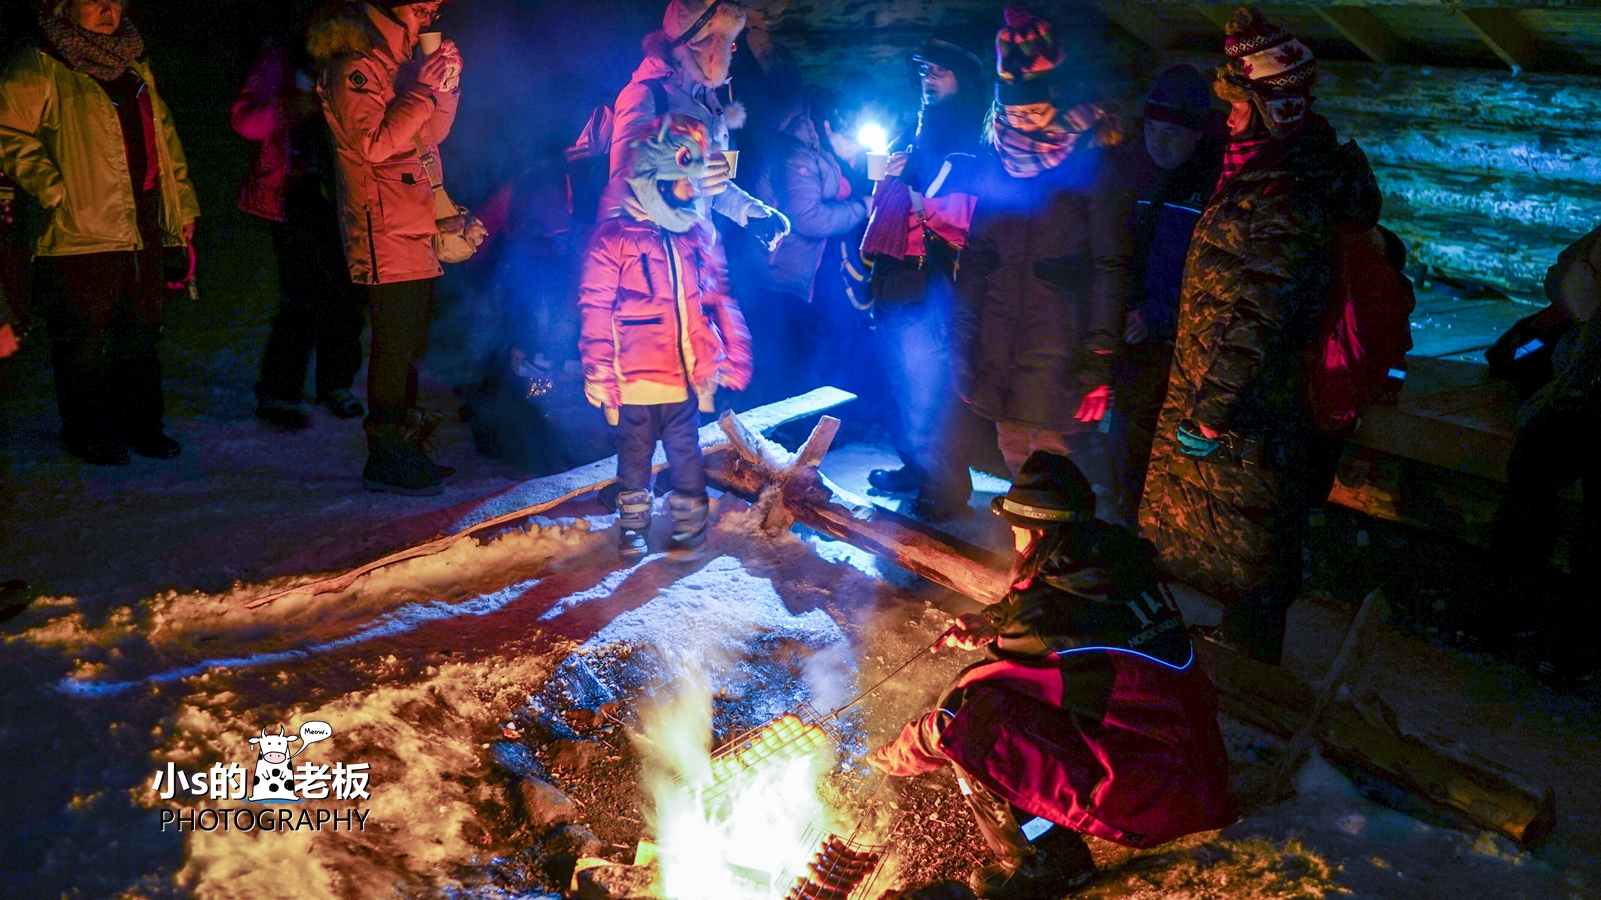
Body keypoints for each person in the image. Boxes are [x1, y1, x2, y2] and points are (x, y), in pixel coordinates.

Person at [868, 451, 1237, 899]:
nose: (1014, 540)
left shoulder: (1042, 618)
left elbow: (968, 700)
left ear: (1037, 531)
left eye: (1016, 531)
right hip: (1199, 765)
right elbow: (1071, 612)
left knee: (972, 731)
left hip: (1152, 793)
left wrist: (901, 753)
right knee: (997, 716)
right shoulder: (1116, 560)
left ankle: (1046, 861)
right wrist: (997, 618)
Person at [1138, 8, 1380, 664]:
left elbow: (1262, 312)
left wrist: (1212, 410)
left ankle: (1250, 680)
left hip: (1260, 409)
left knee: (1253, 551)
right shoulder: (1262, 173)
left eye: (1237, 108)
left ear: (1275, 110)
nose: (1228, 120)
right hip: (1239, 399)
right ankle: (1227, 662)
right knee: (1231, 544)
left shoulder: (1286, 192)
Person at [950, 4, 1133, 520]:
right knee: (1015, 463)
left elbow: (1109, 267)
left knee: (1060, 472)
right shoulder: (999, 164)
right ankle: (1027, 567)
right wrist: (962, 347)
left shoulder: (1091, 163)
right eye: (1016, 108)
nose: (1026, 117)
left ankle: (1060, 574)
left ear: (1057, 96)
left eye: (1036, 107)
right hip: (1002, 345)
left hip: (1062, 347)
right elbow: (978, 260)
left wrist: (1098, 360)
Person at [0, 0, 199, 465]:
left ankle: (143, 427)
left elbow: (165, 142)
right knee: (84, 336)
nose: (108, 8)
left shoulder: (132, 63)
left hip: (142, 221)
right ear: (64, 7)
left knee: (141, 329)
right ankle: (88, 433)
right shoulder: (41, 63)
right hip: (79, 227)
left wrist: (182, 207)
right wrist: (52, 188)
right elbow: (6, 129)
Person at [579, 116, 753, 561]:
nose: (693, 193)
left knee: (686, 457)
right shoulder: (614, 238)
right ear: (656, 180)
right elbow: (596, 309)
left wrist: (732, 349)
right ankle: (633, 527)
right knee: (634, 461)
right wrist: (599, 372)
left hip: (684, 377)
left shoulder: (696, 234)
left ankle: (689, 529)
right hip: (634, 378)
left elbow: (717, 296)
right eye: (684, 184)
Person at [310, 0, 464, 495]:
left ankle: (405, 445)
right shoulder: (356, 65)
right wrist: (422, 87)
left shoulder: (397, 64)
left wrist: (444, 85)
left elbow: (431, 133)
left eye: (435, 8)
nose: (431, 12)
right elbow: (373, 144)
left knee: (411, 342)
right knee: (394, 344)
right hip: (383, 225)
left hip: (414, 218)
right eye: (422, 6)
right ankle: (385, 453)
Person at [859, 37, 990, 521]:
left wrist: (912, 182)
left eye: (941, 71)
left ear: (964, 80)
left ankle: (948, 485)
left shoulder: (969, 143)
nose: (929, 78)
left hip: (928, 279)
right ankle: (916, 466)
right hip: (895, 273)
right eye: (925, 70)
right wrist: (885, 177)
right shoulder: (917, 133)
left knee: (929, 385)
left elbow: (964, 219)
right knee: (900, 380)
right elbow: (885, 202)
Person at [1482, 226, 1601, 682]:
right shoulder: (1557, 331)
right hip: (1575, 400)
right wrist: (1545, 328)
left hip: (1576, 401)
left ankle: (1563, 641)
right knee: (1533, 497)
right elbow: (1514, 352)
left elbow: (1568, 290)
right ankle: (1527, 625)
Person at [234, 30, 368, 431]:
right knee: (303, 294)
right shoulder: (283, 58)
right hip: (296, 191)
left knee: (349, 292)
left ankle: (337, 383)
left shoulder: (359, 57)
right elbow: (246, 120)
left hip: (347, 191)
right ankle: (280, 390)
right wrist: (300, 103)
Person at [1108, 65, 1222, 522]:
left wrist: (1158, 313)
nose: (1160, 142)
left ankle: (1145, 515)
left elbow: (1208, 270)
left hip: (1176, 333)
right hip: (1133, 326)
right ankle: (1125, 506)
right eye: (1153, 130)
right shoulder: (1136, 172)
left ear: (1196, 134)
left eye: (1172, 133)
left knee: (1154, 425)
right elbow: (1121, 249)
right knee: (1129, 420)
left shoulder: (1213, 186)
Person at [604, 0, 788, 248]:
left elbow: (709, 183)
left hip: (697, 258)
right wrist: (692, 177)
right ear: (693, 44)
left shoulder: (707, 100)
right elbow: (624, 188)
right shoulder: (645, 95)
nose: (732, 52)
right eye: (726, 43)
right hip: (655, 262)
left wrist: (750, 212)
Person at [750, 90, 867, 405]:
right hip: (782, 270)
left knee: (818, 346)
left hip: (813, 271)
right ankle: (778, 431)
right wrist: (863, 207)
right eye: (851, 139)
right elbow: (809, 219)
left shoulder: (821, 148)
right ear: (828, 127)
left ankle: (817, 422)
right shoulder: (796, 154)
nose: (856, 148)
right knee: (785, 355)